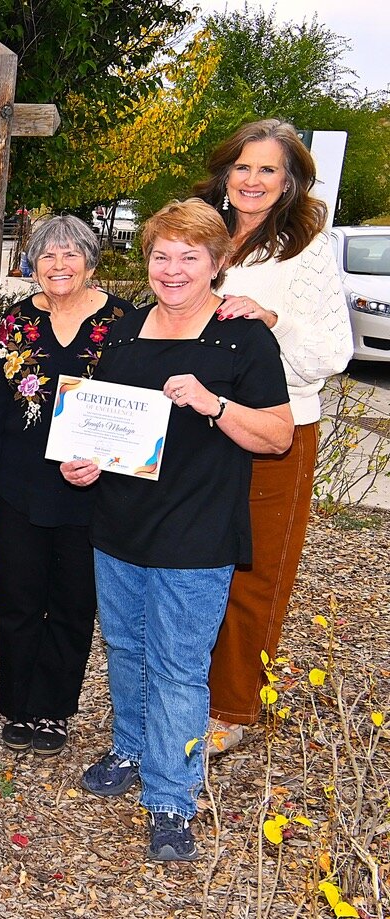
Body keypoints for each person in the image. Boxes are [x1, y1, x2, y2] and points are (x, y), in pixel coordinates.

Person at [61, 200, 293, 861]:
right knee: (128, 652)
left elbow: (277, 435)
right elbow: (108, 432)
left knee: (180, 669)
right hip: (121, 527)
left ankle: (170, 797)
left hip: (197, 533)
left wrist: (214, 403)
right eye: (161, 254)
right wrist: (85, 466)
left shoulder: (241, 338)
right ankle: (132, 750)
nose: (173, 268)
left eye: (190, 256)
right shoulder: (126, 335)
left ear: (217, 262)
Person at [192, 119, 353, 749]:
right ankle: (186, 689)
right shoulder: (205, 231)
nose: (252, 180)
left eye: (268, 170)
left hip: (275, 429)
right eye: (243, 166)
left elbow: (334, 351)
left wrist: (271, 318)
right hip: (198, 425)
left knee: (254, 572)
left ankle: (231, 709)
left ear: (289, 183)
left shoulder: (304, 249)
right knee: (191, 565)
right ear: (225, 173)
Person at [0, 216, 130, 756]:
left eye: (70, 255)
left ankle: (54, 712)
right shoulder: (16, 322)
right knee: (17, 598)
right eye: (47, 257)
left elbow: (140, 408)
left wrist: (112, 461)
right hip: (19, 484)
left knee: (73, 604)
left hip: (92, 489)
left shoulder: (125, 321)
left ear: (91, 260)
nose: (59, 266)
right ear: (30, 264)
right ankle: (17, 706)